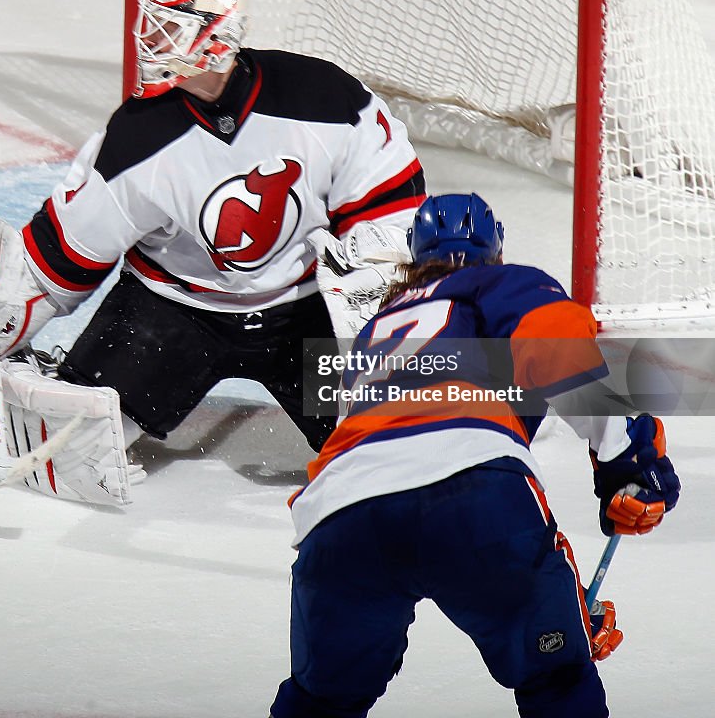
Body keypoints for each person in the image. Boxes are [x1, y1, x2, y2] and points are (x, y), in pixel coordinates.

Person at [0, 0, 426, 506]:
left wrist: (375, 309)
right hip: (171, 313)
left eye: (169, 27)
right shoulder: (138, 136)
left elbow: (391, 205)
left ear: (218, 35)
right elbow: (55, 263)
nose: (150, 41)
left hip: (304, 306)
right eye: (149, 25)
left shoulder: (323, 97)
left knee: (400, 451)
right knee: (71, 448)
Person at [270, 192, 681, 718]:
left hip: (339, 515)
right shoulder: (503, 284)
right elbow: (555, 357)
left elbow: (403, 479)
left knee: (319, 701)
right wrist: (628, 458)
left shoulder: (377, 329)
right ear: (498, 250)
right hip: (472, 493)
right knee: (556, 679)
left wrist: (560, 595)